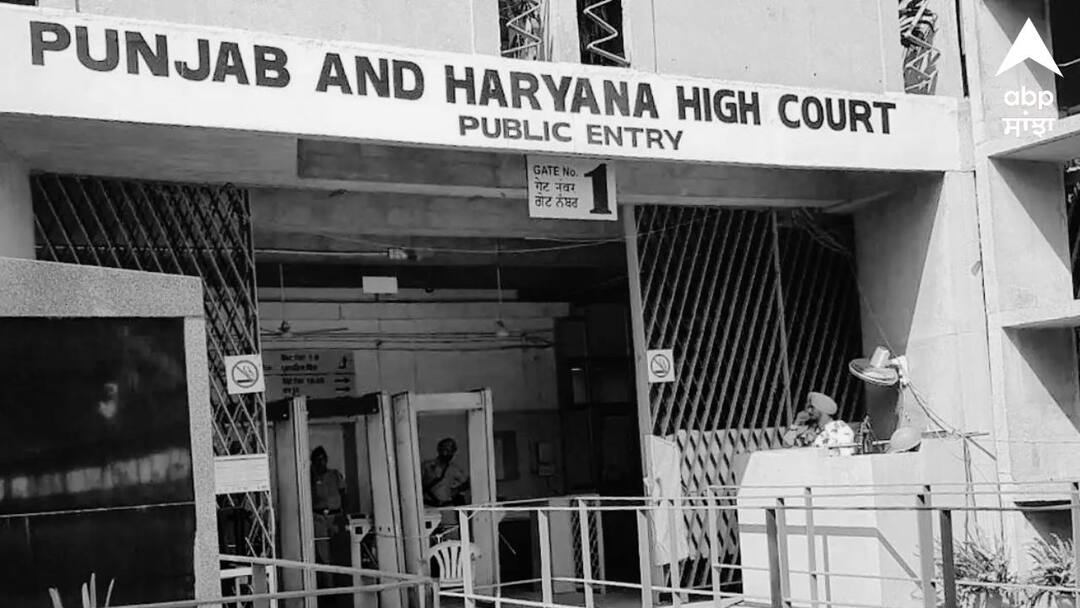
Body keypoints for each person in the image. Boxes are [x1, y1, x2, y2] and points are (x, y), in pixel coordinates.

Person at [310, 446, 347, 590]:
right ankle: (329, 587)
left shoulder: (335, 475)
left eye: (322, 459)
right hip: (319, 518)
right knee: (323, 555)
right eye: (317, 460)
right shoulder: (311, 479)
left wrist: (344, 517)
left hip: (335, 516)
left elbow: (344, 495)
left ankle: (342, 585)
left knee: (339, 551)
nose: (320, 463)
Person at [783, 392, 856, 455]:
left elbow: (845, 455)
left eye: (812, 407)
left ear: (822, 409)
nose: (808, 411)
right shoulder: (812, 430)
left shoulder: (840, 428)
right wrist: (796, 422)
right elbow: (786, 445)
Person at [421, 438, 470, 508]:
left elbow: (468, 482)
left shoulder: (454, 469)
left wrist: (457, 490)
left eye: (451, 450)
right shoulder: (426, 466)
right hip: (428, 506)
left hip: (446, 506)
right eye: (445, 449)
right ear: (439, 449)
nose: (447, 453)